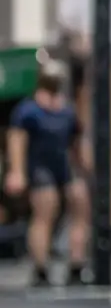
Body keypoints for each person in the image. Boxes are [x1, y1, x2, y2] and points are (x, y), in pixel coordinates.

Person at [3, 65, 91, 287]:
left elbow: (76, 141)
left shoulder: (66, 110)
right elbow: (16, 140)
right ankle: (41, 269)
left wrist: (84, 164)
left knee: (80, 202)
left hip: (63, 163)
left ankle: (76, 266)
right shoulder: (28, 111)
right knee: (46, 208)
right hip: (39, 165)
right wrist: (17, 172)